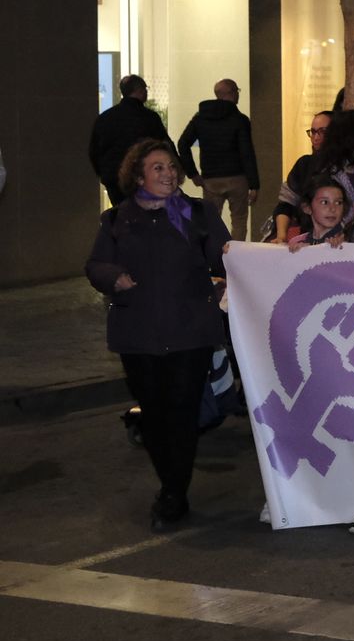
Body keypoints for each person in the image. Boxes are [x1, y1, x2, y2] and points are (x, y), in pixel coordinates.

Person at [85, 138, 229, 531]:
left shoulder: (198, 213)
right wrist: (114, 277)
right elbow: (95, 265)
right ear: (138, 177)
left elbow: (227, 256)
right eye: (158, 168)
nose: (169, 174)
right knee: (153, 414)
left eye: (171, 167)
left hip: (190, 332)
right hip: (138, 334)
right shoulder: (117, 220)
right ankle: (172, 484)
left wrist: (274, 258)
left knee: (182, 412)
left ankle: (173, 493)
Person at [176, 78, 259, 241]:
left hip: (210, 179)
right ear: (231, 93)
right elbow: (246, 152)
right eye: (237, 91)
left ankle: (213, 254)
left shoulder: (200, 117)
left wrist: (193, 174)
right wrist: (254, 184)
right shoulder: (240, 119)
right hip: (237, 178)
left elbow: (183, 143)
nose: (238, 95)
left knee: (211, 222)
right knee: (239, 221)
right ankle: (236, 254)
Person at [272, 110, 354, 242]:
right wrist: (281, 235)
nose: (316, 138)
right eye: (313, 132)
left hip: (350, 240)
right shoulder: (306, 164)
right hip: (312, 238)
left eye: (323, 132)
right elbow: (286, 204)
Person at [90, 75, 170, 205]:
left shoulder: (105, 118)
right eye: (145, 89)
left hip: (113, 178)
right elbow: (164, 146)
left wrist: (104, 173)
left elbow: (94, 151)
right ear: (140, 90)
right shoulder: (149, 118)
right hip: (142, 177)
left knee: (120, 212)